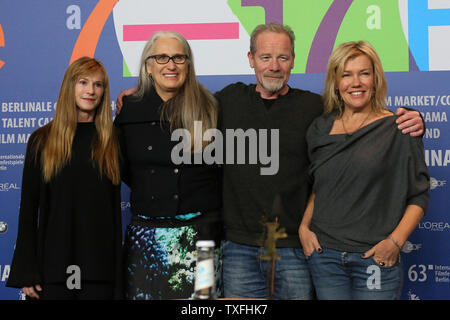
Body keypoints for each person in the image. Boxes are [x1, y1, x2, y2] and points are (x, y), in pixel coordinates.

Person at [116, 23, 424, 300]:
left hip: (295, 248)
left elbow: (358, 115)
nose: (274, 66)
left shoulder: (315, 109)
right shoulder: (225, 102)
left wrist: (412, 117)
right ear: (251, 59)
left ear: (293, 60)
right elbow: (181, 98)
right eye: (265, 57)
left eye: (283, 58)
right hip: (238, 247)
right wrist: (140, 97)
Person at [298, 41, 429, 300]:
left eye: (364, 73)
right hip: (326, 259)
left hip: (374, 259)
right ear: (336, 82)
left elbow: (419, 195)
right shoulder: (319, 129)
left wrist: (395, 242)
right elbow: (320, 188)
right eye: (346, 75)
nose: (355, 82)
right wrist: (304, 227)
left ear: (375, 80)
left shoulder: (399, 128)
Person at [114, 30, 222, 300]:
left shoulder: (211, 107)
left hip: (204, 236)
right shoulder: (130, 109)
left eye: (178, 57)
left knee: (202, 306)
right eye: (161, 57)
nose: (170, 65)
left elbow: (222, 169)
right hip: (146, 235)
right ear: (148, 67)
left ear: (188, 64)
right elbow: (121, 168)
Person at [6, 57, 123, 300]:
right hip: (52, 272)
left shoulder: (112, 140)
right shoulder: (41, 140)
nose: (91, 90)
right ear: (69, 86)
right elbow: (28, 210)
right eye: (83, 82)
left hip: (100, 272)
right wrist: (27, 270)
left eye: (98, 85)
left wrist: (135, 100)